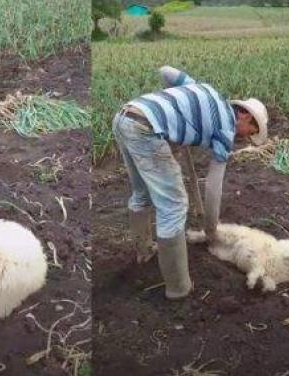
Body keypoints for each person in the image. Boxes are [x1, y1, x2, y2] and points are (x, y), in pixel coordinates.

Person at [112, 66, 269, 299]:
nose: (245, 137)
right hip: (145, 128)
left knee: (142, 193)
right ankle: (178, 288)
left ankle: (144, 251)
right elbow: (213, 187)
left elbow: (166, 72)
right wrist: (211, 230)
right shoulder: (226, 129)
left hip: (125, 117)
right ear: (245, 115)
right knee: (174, 205)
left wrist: (178, 107)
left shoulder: (202, 88)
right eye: (250, 131)